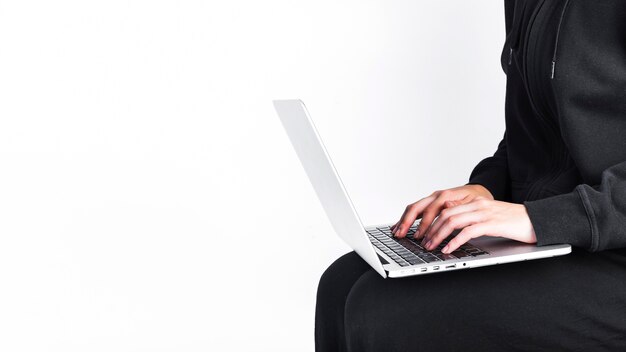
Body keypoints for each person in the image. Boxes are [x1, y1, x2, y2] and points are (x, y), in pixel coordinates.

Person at [315, 1, 626, 351]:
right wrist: (486, 188)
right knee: (340, 282)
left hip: (611, 249)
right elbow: (533, 134)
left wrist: (539, 219)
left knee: (386, 308)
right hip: (563, 237)